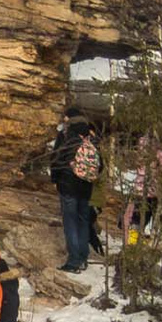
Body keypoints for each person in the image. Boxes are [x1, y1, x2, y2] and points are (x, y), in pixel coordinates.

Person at [50, 111, 101, 273]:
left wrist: (55, 180)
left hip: (68, 186)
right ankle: (83, 258)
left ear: (69, 120)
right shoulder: (91, 138)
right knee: (83, 221)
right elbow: (101, 165)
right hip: (86, 187)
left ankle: (73, 261)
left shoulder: (67, 136)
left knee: (70, 222)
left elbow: (56, 159)